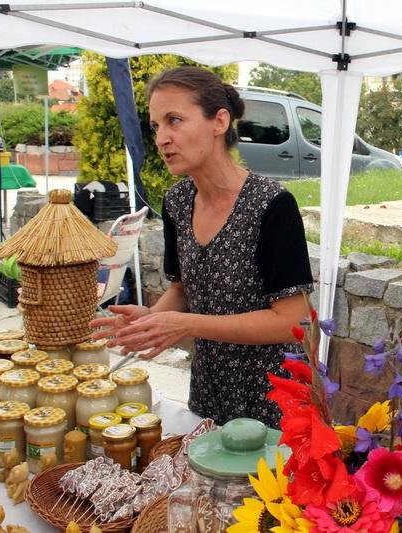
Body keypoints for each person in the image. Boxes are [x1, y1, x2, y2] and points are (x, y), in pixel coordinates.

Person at [90, 66, 313, 427]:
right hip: (209, 392)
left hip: (271, 401)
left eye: (174, 120)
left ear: (219, 121)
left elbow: (291, 322)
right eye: (156, 126)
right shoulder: (177, 201)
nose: (162, 138)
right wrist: (153, 319)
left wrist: (185, 324)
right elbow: (182, 289)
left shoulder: (271, 204)